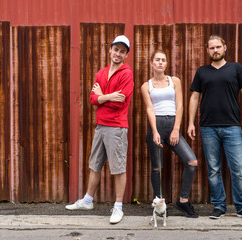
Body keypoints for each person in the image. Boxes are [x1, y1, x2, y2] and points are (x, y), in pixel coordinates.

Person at [65, 35, 134, 224]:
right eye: (116, 49)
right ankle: (87, 200)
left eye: (122, 51)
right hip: (101, 125)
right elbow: (92, 99)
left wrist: (103, 96)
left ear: (126, 55)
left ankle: (118, 207)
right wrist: (107, 97)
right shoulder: (101, 73)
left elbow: (120, 104)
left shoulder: (127, 74)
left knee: (118, 168)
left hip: (117, 127)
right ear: (110, 49)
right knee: (94, 164)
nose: (118, 53)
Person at [187, 35, 242, 221]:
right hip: (208, 127)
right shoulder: (202, 72)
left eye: (218, 47)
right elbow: (194, 97)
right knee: (214, 169)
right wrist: (190, 122)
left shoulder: (236, 68)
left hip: (232, 126)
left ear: (225, 48)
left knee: (238, 169)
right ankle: (219, 206)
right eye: (211, 48)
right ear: (207, 50)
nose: (215, 50)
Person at [141, 50, 198, 218]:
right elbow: (149, 109)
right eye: (157, 60)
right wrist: (155, 132)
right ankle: (159, 204)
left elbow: (180, 105)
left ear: (166, 64)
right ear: (151, 63)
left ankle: (183, 201)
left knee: (192, 161)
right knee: (157, 168)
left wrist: (176, 129)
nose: (160, 62)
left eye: (163, 60)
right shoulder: (146, 86)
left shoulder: (175, 81)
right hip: (156, 127)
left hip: (173, 126)